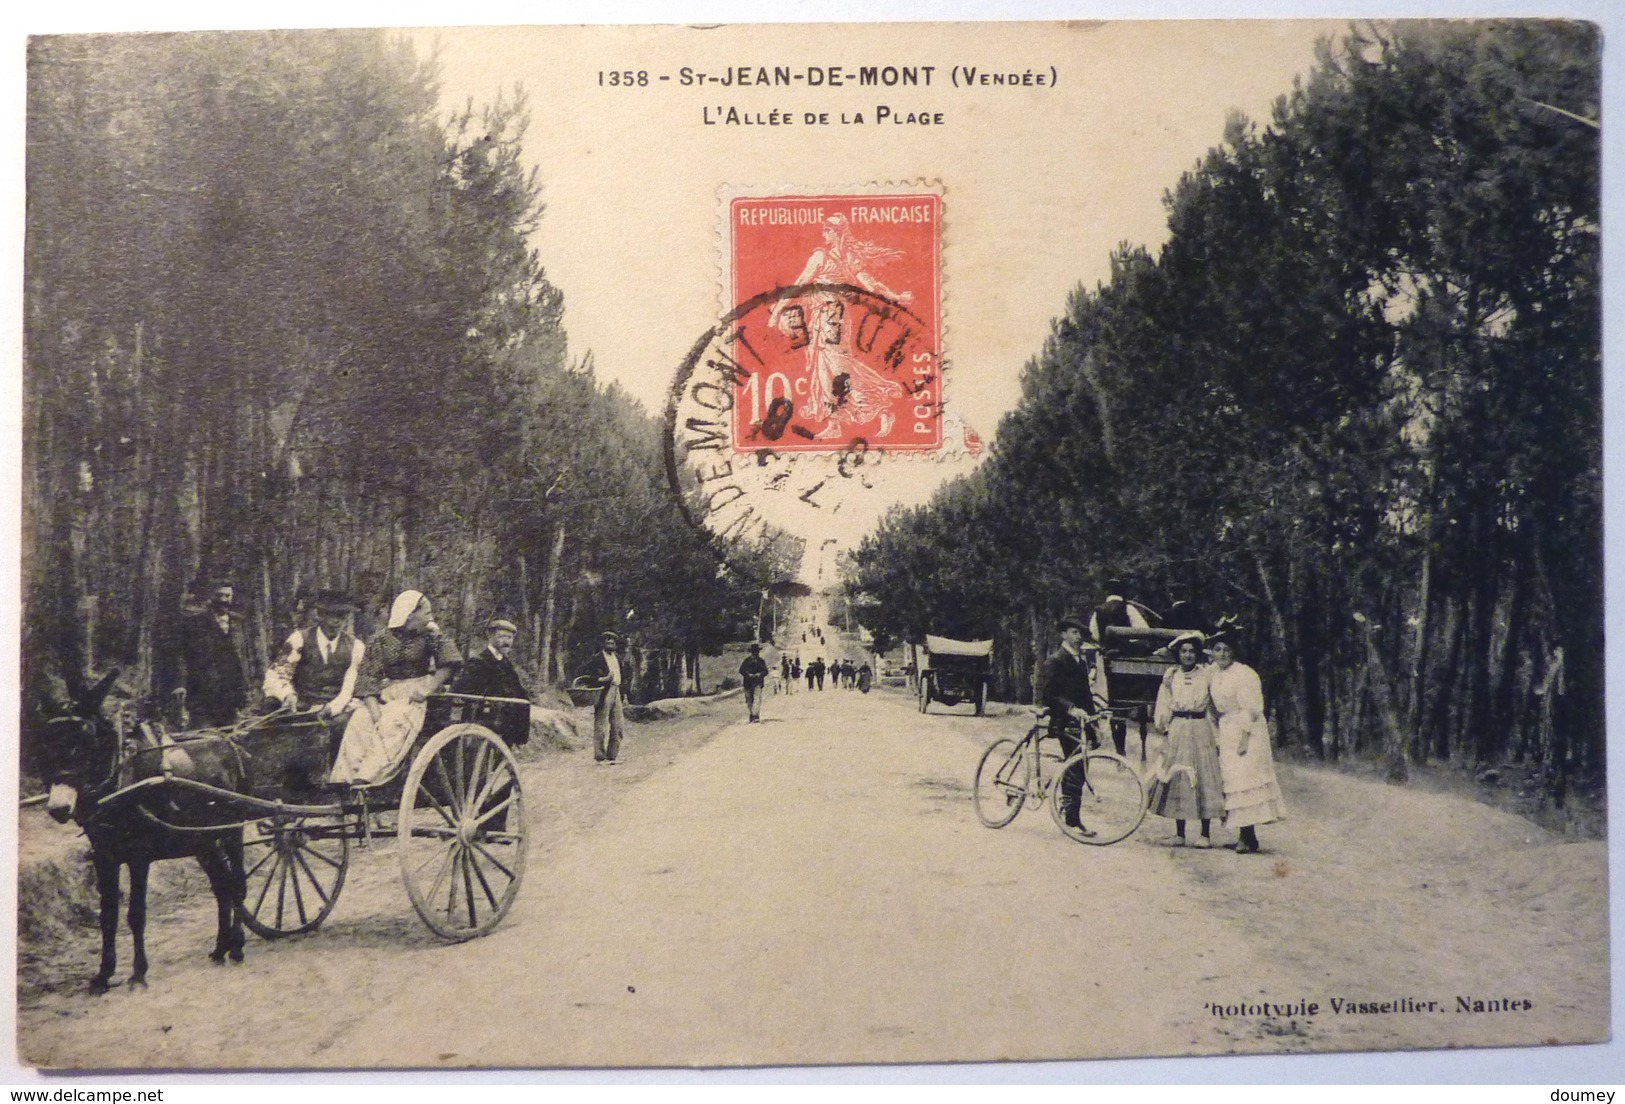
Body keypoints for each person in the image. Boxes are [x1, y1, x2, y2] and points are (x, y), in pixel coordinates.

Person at [765, 214, 910, 440]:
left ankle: (881, 406)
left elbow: (800, 283)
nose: (824, 233)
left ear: (833, 233)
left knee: (836, 367)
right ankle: (835, 425)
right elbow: (869, 284)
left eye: (827, 230)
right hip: (834, 318)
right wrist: (894, 295)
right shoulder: (847, 257)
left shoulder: (821, 256)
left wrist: (777, 310)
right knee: (826, 369)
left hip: (829, 318)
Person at [329, 591, 462, 786]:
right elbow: (368, 676)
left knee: (395, 720)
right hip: (388, 693)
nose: (430, 617)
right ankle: (344, 779)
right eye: (426, 612)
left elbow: (450, 662)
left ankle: (367, 776)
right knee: (360, 719)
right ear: (409, 614)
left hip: (416, 693)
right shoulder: (381, 639)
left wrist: (428, 688)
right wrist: (374, 709)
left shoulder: (430, 634)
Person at [1208, 631, 1286, 854]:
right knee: (1232, 780)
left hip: (1248, 730)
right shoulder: (1214, 673)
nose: (1222, 654)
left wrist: (1243, 739)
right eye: (1217, 649)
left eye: (1226, 649)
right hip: (1227, 727)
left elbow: (1251, 710)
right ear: (1211, 652)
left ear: (1234, 652)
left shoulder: (1244, 674)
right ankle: (1248, 837)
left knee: (1244, 780)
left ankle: (1245, 837)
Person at [1145, 631, 1224, 848]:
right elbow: (1164, 703)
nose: (1188, 655)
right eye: (1184, 651)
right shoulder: (1171, 676)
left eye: (1192, 651)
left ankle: (1205, 834)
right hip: (1178, 727)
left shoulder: (1207, 674)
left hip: (1200, 728)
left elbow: (1216, 695)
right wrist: (1163, 725)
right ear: (1177, 654)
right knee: (1178, 776)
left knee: (1203, 775)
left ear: (1197, 654)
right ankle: (1179, 833)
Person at [263, 589, 365, 756]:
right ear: (320, 615)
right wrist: (288, 695)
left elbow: (349, 689)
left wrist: (330, 709)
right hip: (303, 705)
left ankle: (336, 776)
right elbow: (277, 674)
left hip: (337, 708)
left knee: (344, 727)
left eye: (343, 615)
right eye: (332, 615)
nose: (337, 621)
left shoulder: (356, 647)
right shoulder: (299, 639)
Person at [1040, 614, 1099, 836]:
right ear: (1064, 634)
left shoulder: (1081, 661)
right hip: (1063, 720)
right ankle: (1072, 820)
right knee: (1076, 768)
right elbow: (1048, 694)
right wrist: (1071, 708)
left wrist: (1094, 723)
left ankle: (1069, 811)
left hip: (1081, 720)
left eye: (1081, 633)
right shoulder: (1055, 660)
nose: (1079, 637)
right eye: (1074, 632)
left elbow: (1086, 696)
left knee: (1080, 766)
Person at [171, 580, 250, 728]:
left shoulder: (238, 622)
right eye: (219, 595)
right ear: (211, 596)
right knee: (202, 741)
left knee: (234, 740)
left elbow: (244, 657)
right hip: (203, 696)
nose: (223, 600)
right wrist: (181, 684)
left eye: (227, 595)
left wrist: (246, 688)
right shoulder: (195, 623)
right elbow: (181, 656)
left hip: (231, 697)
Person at [452, 617, 534, 703]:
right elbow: (467, 694)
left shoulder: (507, 664)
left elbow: (519, 692)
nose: (507, 642)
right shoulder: (477, 662)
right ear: (490, 636)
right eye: (502, 637)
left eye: (510, 638)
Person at [580, 629, 629, 763]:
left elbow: (624, 677)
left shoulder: (618, 658)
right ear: (603, 644)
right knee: (601, 725)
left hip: (616, 690)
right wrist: (602, 679)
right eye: (608, 642)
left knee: (618, 725)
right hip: (603, 692)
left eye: (613, 643)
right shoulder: (597, 659)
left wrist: (624, 694)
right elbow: (586, 676)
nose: (610, 645)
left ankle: (612, 755)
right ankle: (600, 755)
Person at [739, 643, 769, 723]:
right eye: (754, 652)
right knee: (749, 699)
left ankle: (755, 715)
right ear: (751, 652)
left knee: (757, 699)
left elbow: (765, 671)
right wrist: (748, 674)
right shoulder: (746, 661)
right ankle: (752, 714)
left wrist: (759, 674)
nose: (755, 653)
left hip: (757, 682)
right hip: (748, 683)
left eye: (757, 652)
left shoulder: (761, 661)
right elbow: (741, 670)